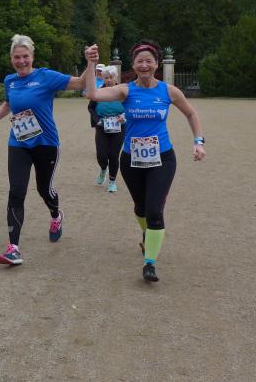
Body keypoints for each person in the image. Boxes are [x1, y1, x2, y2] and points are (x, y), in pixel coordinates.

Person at [86, 40, 206, 282]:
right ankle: (146, 234)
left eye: (149, 61)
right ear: (133, 65)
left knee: (154, 211)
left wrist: (198, 141)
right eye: (139, 61)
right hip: (132, 160)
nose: (144, 65)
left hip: (162, 159)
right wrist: (91, 64)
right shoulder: (125, 91)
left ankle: (149, 263)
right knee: (140, 208)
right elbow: (93, 94)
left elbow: (191, 113)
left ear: (156, 64)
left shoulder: (169, 91)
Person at [0, 35, 98, 265]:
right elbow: (9, 104)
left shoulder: (46, 76)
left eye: (25, 56)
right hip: (19, 143)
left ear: (32, 57)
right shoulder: (10, 81)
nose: (21, 61)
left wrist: (90, 62)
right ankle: (13, 248)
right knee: (16, 192)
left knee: (44, 189)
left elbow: (81, 83)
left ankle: (56, 215)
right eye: (17, 57)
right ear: (11, 59)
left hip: (46, 144)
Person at [88, 66, 126, 192]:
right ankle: (103, 170)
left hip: (119, 126)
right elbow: (91, 107)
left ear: (116, 78)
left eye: (111, 77)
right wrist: (97, 120)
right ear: (103, 78)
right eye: (106, 78)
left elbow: (131, 106)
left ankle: (112, 182)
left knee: (114, 155)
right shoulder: (98, 91)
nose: (109, 80)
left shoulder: (123, 92)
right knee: (101, 155)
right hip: (102, 126)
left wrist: (124, 115)